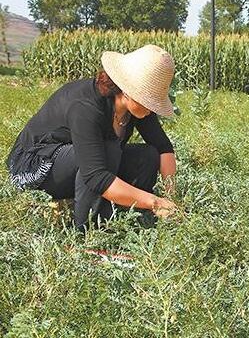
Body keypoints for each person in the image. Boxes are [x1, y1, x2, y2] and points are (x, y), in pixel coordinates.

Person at [6, 44, 178, 231]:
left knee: (148, 155)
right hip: (36, 167)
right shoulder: (86, 106)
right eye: (149, 99)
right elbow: (96, 175)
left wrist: (171, 196)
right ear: (128, 90)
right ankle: (88, 231)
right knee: (108, 150)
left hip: (81, 164)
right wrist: (155, 202)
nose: (152, 107)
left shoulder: (138, 108)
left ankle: (127, 218)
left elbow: (163, 148)